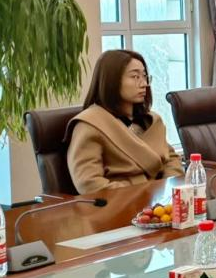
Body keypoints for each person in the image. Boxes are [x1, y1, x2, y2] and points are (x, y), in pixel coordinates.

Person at [66, 49, 183, 193]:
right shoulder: (90, 124)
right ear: (112, 81)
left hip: (161, 199)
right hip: (121, 202)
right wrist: (144, 193)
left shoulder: (150, 120)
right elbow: (89, 183)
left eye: (144, 76)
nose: (144, 84)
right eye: (135, 77)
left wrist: (167, 189)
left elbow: (171, 159)